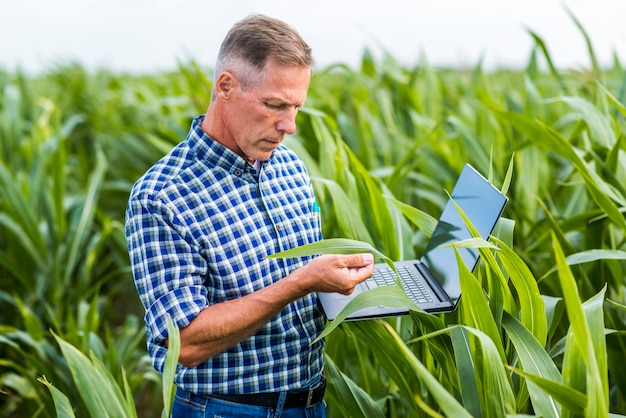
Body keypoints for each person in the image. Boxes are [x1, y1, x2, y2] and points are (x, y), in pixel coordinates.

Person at [125, 13, 375, 418]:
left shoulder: (290, 167)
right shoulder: (162, 197)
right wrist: (300, 282)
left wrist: (358, 287)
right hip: (225, 410)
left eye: (296, 107)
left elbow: (306, 286)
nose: (288, 125)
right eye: (274, 105)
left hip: (312, 403)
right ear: (226, 86)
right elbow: (184, 342)